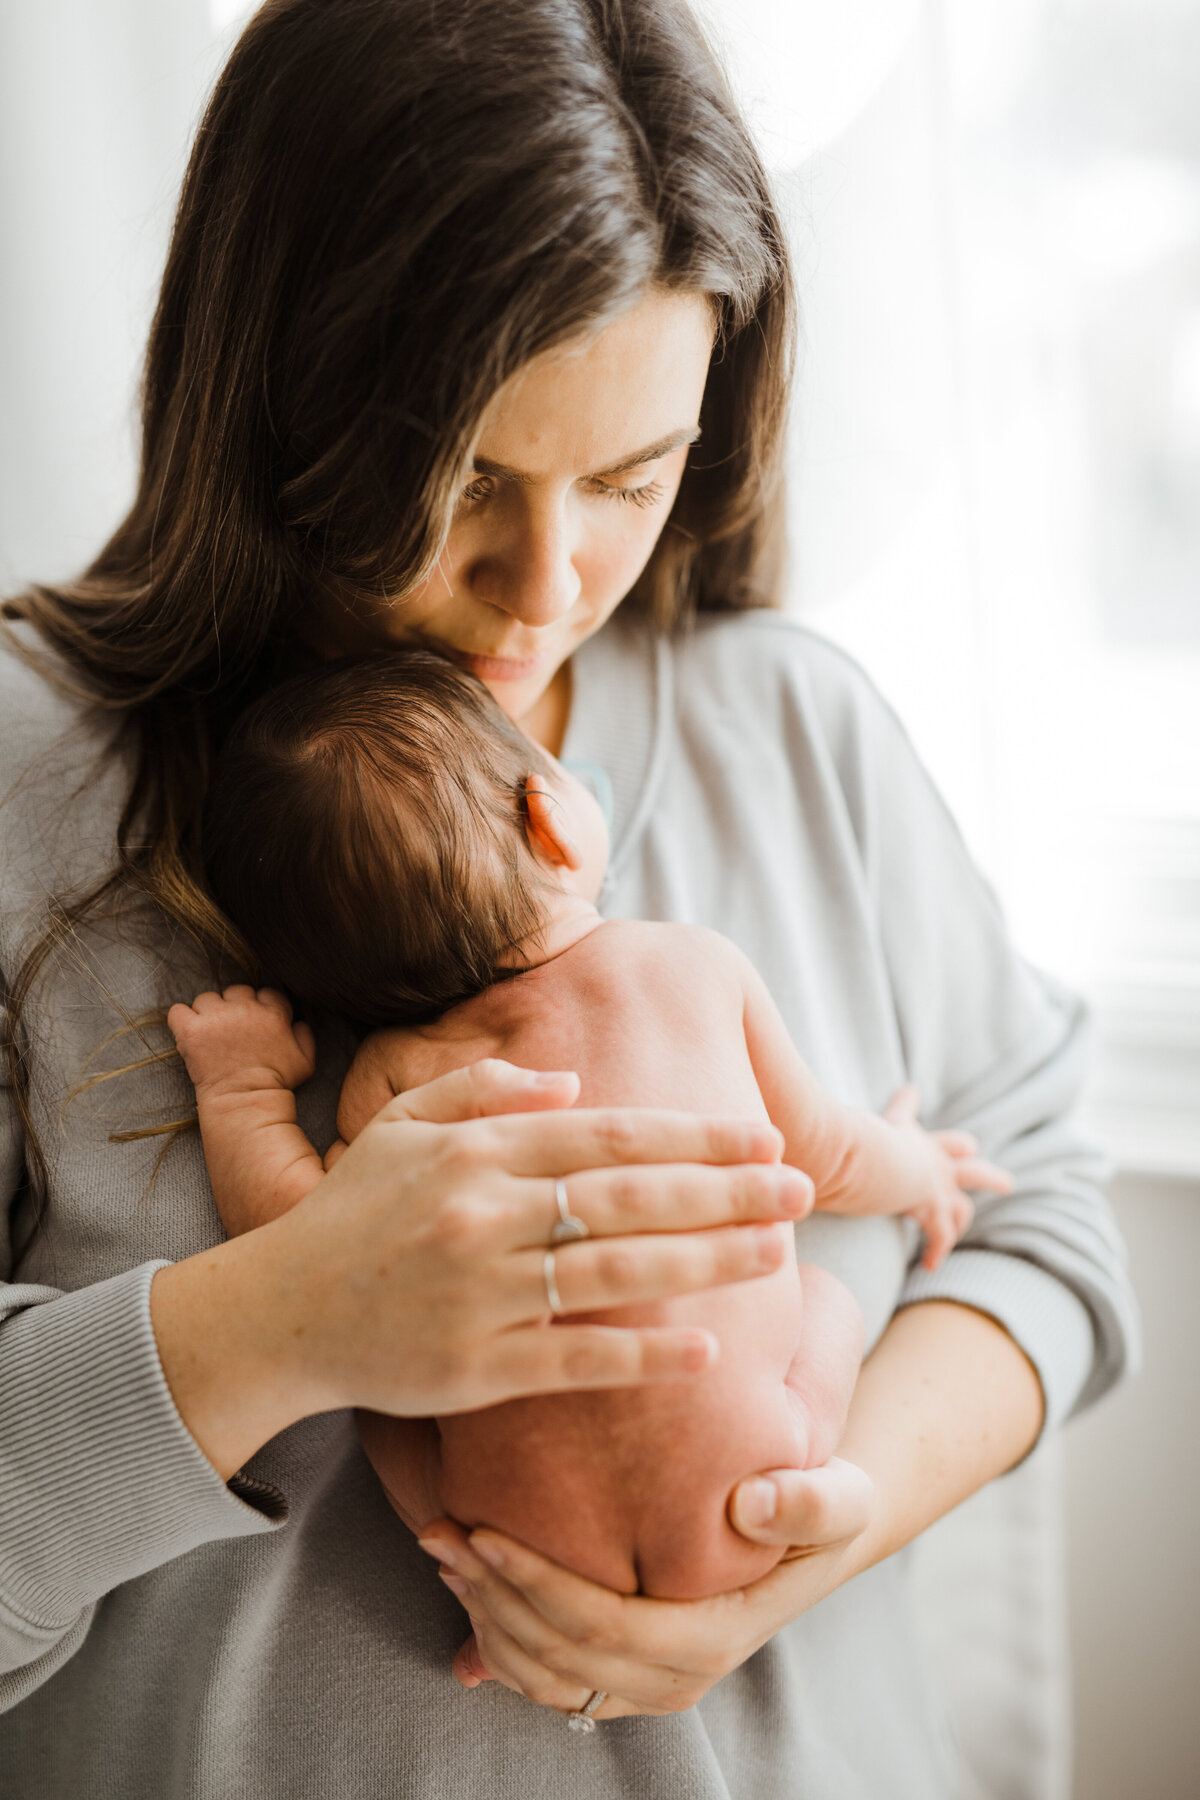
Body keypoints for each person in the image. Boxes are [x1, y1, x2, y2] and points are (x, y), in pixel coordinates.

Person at [0, 1, 1137, 1793]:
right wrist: (284, 1321)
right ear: (281, 385)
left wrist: (817, 1534)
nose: (549, 585)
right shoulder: (28, 782)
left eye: (630, 478)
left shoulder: (798, 725)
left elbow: (1044, 1217)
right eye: (463, 481)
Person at [166, 646, 1006, 1600]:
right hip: (754, 1501)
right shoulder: (689, 968)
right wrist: (923, 1172)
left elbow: (299, 1244)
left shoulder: (398, 1076)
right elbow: (830, 1156)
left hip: (506, 1528)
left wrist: (241, 1094)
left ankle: (457, 1556)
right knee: (829, 1292)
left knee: (373, 1386)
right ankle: (810, 1442)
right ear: (555, 818)